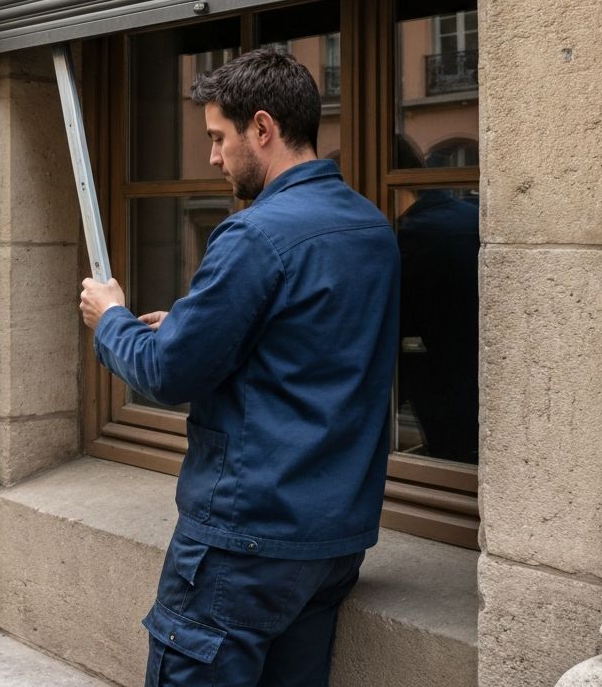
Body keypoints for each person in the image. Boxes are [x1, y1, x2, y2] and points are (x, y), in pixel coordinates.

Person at [79, 47, 400, 687]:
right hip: (332, 543)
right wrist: (197, 324)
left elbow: (167, 374)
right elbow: (310, 347)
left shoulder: (254, 234)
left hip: (243, 544)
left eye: (219, 138)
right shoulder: (371, 229)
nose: (213, 157)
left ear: (262, 128)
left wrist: (109, 317)